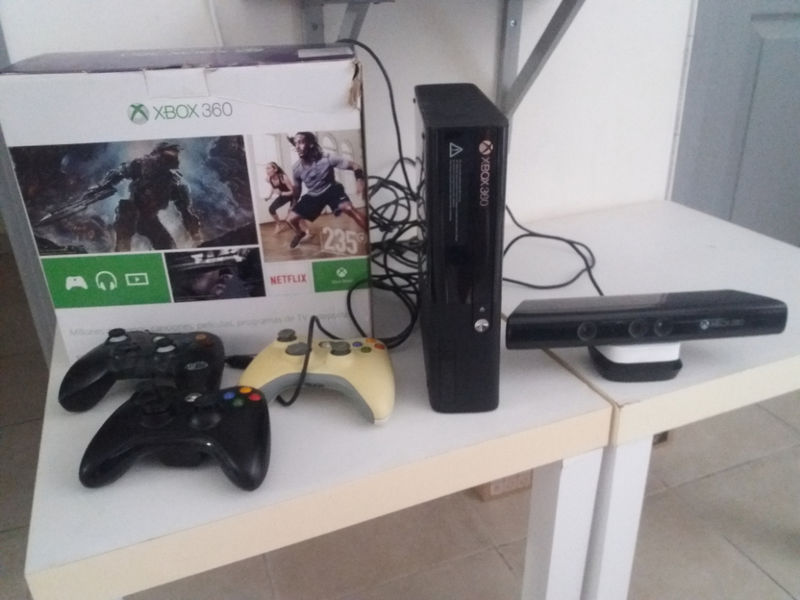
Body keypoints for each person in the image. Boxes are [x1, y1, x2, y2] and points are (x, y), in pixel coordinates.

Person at [93, 142, 201, 251]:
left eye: (174, 155)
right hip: (131, 212)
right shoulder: (141, 166)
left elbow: (185, 211)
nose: (172, 157)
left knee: (168, 245)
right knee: (127, 214)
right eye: (168, 154)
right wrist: (101, 188)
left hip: (149, 218)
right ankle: (122, 251)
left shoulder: (173, 182)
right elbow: (118, 173)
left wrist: (194, 233)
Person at [285, 131, 368, 249]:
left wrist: (359, 180)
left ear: (311, 144)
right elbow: (297, 189)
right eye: (295, 143)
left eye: (301, 142)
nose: (297, 147)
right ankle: (300, 233)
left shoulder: (327, 158)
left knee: (349, 208)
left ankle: (370, 235)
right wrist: (293, 204)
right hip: (313, 194)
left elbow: (355, 165)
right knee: (290, 219)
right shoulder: (296, 169)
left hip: (331, 189)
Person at [264, 161, 295, 233]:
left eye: (268, 168)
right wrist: (269, 197)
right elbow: (273, 187)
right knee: (271, 209)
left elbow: (293, 191)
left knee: (289, 217)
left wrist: (281, 193)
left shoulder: (283, 177)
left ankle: (292, 223)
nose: (266, 171)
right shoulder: (269, 179)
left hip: (293, 195)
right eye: (266, 169)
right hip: (284, 195)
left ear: (275, 169)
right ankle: (278, 224)